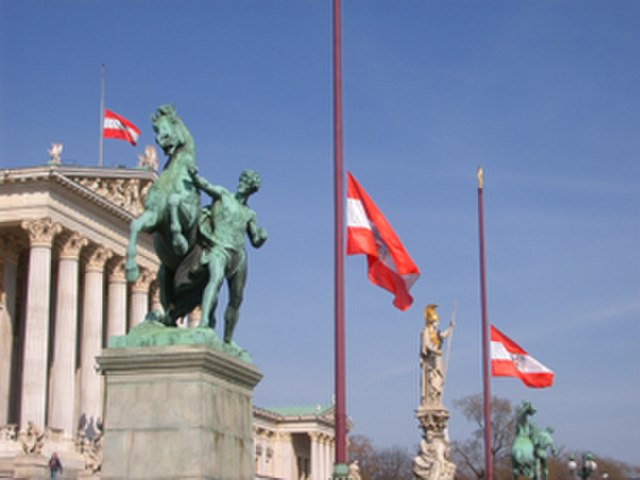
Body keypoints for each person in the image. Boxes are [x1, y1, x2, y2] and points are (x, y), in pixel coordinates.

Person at [189, 166, 268, 343]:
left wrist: (261, 237)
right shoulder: (223, 195)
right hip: (219, 247)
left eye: (247, 183)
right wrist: (194, 176)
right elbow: (205, 185)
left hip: (238, 256)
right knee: (215, 280)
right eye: (242, 180)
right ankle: (203, 323)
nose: (242, 185)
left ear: (252, 190)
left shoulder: (249, 214)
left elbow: (254, 241)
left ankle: (228, 339)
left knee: (236, 299)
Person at [420, 304, 454, 406]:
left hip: (437, 360)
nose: (437, 324)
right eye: (436, 322)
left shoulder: (435, 333)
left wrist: (450, 327)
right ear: (431, 322)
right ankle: (431, 399)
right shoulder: (426, 332)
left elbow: (442, 336)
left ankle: (436, 400)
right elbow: (426, 345)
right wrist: (436, 351)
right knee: (432, 380)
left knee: (438, 379)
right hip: (430, 362)